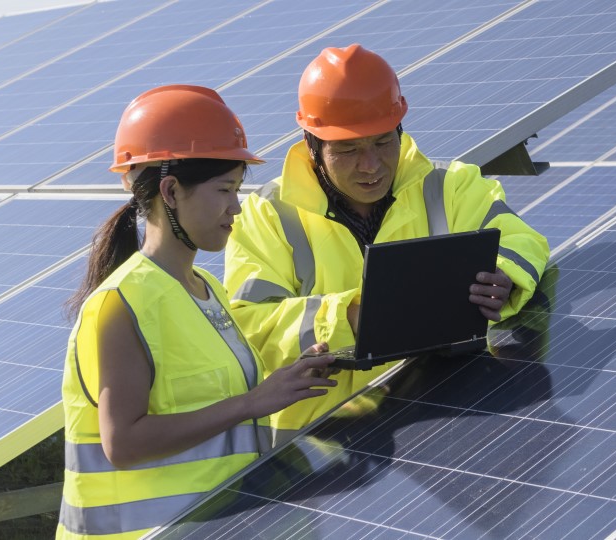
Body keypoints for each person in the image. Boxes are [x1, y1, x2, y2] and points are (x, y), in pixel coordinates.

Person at [225, 44, 549, 440]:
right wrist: (348, 318)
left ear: (399, 129)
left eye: (382, 143)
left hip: (449, 414)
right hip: (328, 442)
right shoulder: (267, 215)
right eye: (348, 149)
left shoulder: (450, 185)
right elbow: (248, 329)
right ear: (313, 145)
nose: (370, 165)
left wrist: (506, 276)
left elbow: (522, 239)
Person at [59, 85, 337, 540]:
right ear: (170, 191)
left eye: (238, 189)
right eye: (225, 189)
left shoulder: (208, 291)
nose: (237, 206)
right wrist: (254, 401)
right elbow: (123, 444)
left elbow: (220, 406)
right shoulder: (119, 304)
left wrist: (284, 380)